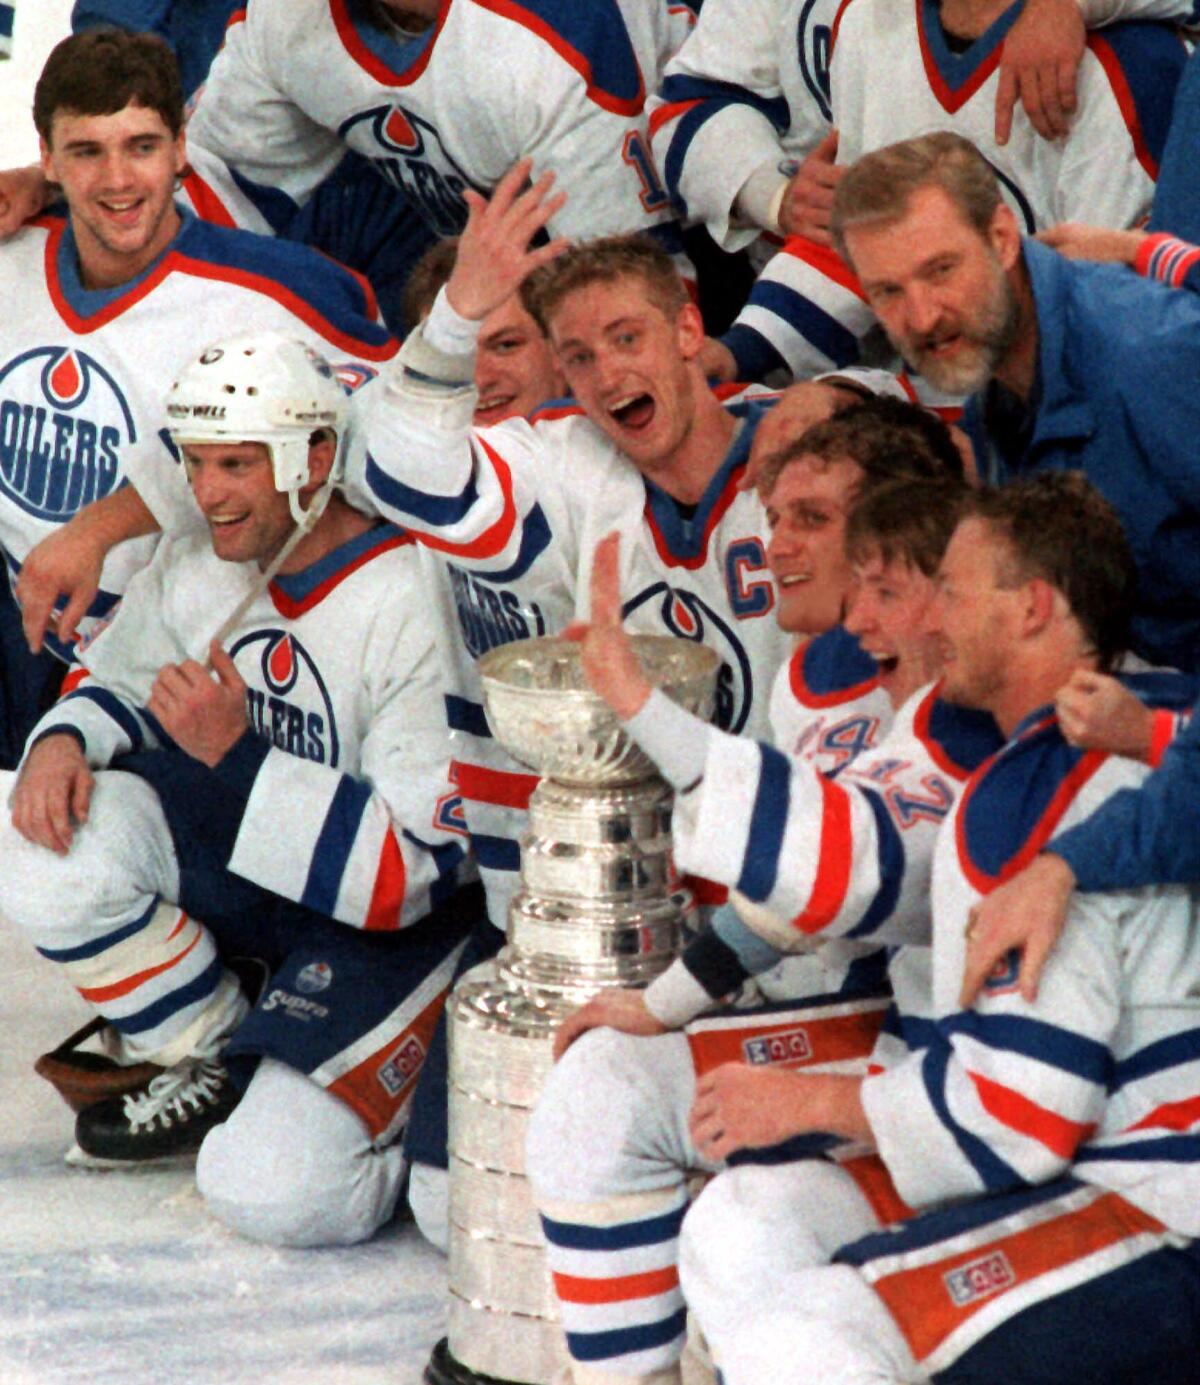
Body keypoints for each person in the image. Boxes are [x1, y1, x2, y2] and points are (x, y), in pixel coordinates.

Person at [674, 473, 1200, 1385]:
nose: (924, 618)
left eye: (949, 591)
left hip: (1158, 1202)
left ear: (1032, 607)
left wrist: (808, 1101)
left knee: (807, 1330)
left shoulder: (1039, 783)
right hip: (1095, 1165)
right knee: (746, 1225)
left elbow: (1019, 1124)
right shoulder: (1145, 726)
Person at [0, 332, 482, 1250]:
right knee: (30, 832)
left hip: (387, 928)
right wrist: (64, 736)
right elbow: (121, 681)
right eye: (196, 462)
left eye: (236, 463)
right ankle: (217, 1048)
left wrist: (241, 759)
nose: (207, 490)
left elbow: (404, 879)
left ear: (316, 458)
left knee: (271, 1192)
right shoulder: (205, 555)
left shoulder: (415, 594)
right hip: (270, 879)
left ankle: (376, 1088)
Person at [525, 471, 999, 1385]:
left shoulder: (1064, 750)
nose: (862, 620)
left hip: (1015, 1138)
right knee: (607, 1098)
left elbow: (849, 869)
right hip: (921, 1077)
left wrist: (639, 704)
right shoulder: (894, 699)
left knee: (749, 1252)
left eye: (886, 589)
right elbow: (815, 887)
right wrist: (666, 1001)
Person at [0, 29, 397, 764]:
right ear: (47, 161)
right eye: (87, 152)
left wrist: (99, 528)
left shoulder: (281, 290)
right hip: (16, 624)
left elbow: (381, 424)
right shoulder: (13, 252)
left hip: (177, 644)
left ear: (183, 147)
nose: (119, 179)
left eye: (141, 147)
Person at [829, 129, 1200, 674]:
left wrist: (1165, 734)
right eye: (888, 292)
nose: (923, 317)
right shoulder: (993, 389)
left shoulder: (1146, 355)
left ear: (1002, 238)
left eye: (941, 271)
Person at [706, 2, 1188, 385]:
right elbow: (866, 240)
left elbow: (1112, 322)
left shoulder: (1127, 61)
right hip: (941, 393)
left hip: (1078, 408)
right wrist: (740, 350)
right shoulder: (864, 25)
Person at [647, 0, 1134, 258]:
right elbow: (689, 104)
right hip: (820, 316)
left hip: (1026, 337)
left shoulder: (1119, 70)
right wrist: (774, 196)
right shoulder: (867, 27)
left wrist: (1070, 3)